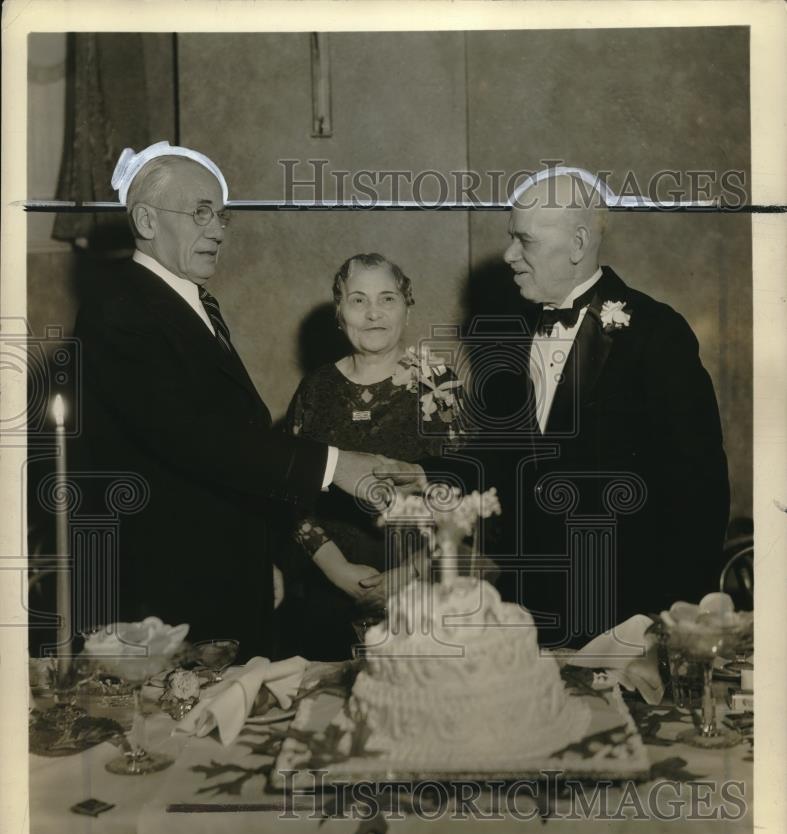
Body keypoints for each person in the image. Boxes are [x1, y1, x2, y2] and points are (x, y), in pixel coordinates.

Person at [72, 142, 397, 659]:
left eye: (222, 214)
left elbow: (229, 433)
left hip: (221, 572)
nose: (219, 228)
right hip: (168, 590)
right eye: (201, 212)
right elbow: (192, 437)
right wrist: (334, 465)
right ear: (147, 220)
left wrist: (261, 555)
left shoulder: (191, 301)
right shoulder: (121, 309)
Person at [393, 166, 731, 647]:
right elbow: (509, 460)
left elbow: (699, 493)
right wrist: (428, 475)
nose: (509, 256)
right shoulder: (512, 333)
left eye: (524, 241)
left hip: (629, 616)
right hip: (532, 610)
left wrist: (670, 623)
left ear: (576, 244)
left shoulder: (657, 334)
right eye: (511, 238)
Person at [283, 253, 464, 660]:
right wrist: (336, 570)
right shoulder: (315, 389)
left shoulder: (440, 385)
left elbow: (465, 493)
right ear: (339, 310)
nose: (373, 314)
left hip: (423, 591)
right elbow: (290, 491)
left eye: (387, 299)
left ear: (406, 305)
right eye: (358, 300)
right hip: (329, 590)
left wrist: (411, 573)